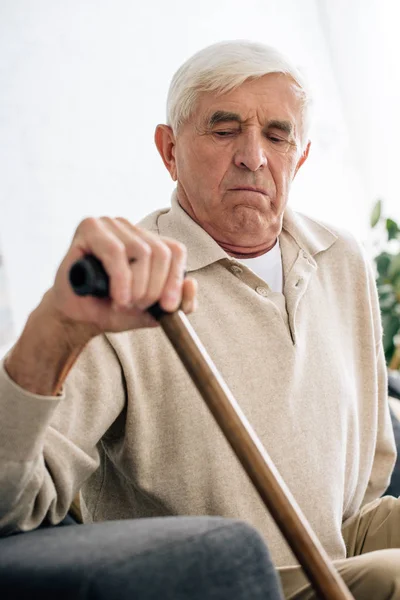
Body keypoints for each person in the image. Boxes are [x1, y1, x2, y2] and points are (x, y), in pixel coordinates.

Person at [1, 39, 399, 598]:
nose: (253, 156)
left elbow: (370, 466)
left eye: (277, 134)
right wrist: (53, 331)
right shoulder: (126, 287)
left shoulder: (341, 257)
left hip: (341, 541)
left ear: (300, 155)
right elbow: (14, 503)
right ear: (168, 150)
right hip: (226, 581)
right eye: (224, 128)